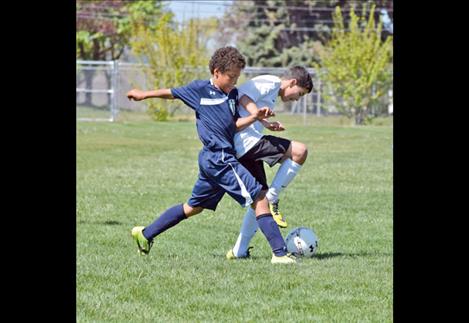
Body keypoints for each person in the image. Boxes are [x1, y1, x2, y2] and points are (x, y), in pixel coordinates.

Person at [126, 46, 297, 264]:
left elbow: (233, 126)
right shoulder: (200, 90)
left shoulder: (232, 94)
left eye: (237, 77)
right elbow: (171, 93)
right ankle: (280, 254)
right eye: (231, 77)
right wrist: (143, 94)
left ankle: (145, 234)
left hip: (214, 160)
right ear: (216, 72)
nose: (234, 82)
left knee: (193, 207)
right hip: (219, 158)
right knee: (259, 197)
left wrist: (256, 118)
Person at [226, 66, 313, 260]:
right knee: (300, 151)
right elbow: (242, 96)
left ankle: (239, 250)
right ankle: (274, 197)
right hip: (247, 142)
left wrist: (265, 123)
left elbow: (247, 107)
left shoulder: (272, 90)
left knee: (260, 201)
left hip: (245, 144)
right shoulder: (272, 82)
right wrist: (258, 114)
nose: (296, 99)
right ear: (292, 82)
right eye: (298, 94)